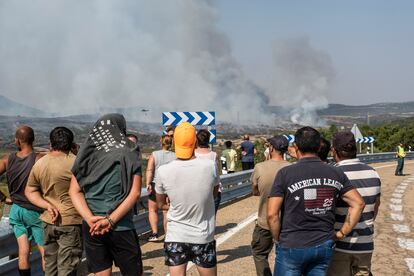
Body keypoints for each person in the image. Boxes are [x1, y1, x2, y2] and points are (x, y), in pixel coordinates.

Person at [267, 126, 365, 276]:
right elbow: (358, 203)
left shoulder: (285, 174)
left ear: (296, 147)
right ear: (319, 146)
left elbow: (272, 215)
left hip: (292, 245)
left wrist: (277, 239)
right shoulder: (335, 172)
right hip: (323, 245)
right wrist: (341, 233)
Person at [69, 114, 143, 276]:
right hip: (121, 225)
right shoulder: (129, 151)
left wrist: (89, 218)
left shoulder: (86, 154)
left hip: (92, 227)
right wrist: (110, 220)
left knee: (101, 272)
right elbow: (135, 192)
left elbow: (74, 191)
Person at [155, 122, 219, 276]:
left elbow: (160, 204)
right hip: (203, 236)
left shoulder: (163, 171)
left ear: (174, 142)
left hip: (175, 236)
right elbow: (214, 194)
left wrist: (174, 206)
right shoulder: (210, 166)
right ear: (195, 142)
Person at [25, 127, 83, 276]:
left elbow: (30, 191)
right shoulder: (76, 163)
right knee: (67, 266)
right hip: (71, 221)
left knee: (50, 266)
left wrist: (47, 205)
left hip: (48, 220)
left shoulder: (40, 163)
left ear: (51, 143)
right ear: (71, 143)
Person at [327, 131, 381, 276]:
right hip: (366, 244)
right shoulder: (373, 172)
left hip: (340, 244)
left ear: (334, 151)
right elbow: (375, 207)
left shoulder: (333, 173)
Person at [0, 126, 45, 276]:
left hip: (16, 210)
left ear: (17, 140)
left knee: (23, 252)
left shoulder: (7, 159)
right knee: (46, 252)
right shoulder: (39, 159)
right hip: (34, 211)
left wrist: (3, 198)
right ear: (33, 140)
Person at [251, 136, 290, 276]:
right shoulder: (291, 168)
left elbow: (255, 191)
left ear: (271, 148)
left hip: (265, 222)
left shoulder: (260, 167)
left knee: (260, 254)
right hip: (287, 223)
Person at [146, 135, 176, 241]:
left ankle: (155, 233)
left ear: (161, 142)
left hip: (156, 183)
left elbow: (150, 170)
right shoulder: (175, 155)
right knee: (166, 211)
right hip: (170, 185)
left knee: (152, 210)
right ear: (171, 143)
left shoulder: (154, 154)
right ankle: (168, 234)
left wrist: (148, 183)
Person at [195, 129, 222, 214]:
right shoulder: (214, 155)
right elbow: (216, 175)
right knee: (211, 217)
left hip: (196, 190)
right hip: (212, 190)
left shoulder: (193, 154)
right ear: (209, 140)